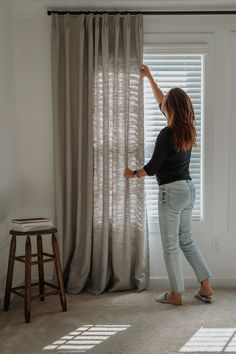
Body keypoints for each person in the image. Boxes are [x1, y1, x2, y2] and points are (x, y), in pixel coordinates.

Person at [124, 64, 214, 305]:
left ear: (170, 109)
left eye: (166, 104)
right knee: (186, 240)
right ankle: (205, 286)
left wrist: (131, 173)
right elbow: (162, 99)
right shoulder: (187, 130)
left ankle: (175, 294)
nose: (162, 104)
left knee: (171, 245)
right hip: (188, 190)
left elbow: (152, 168)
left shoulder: (167, 133)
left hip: (171, 193)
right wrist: (149, 77)